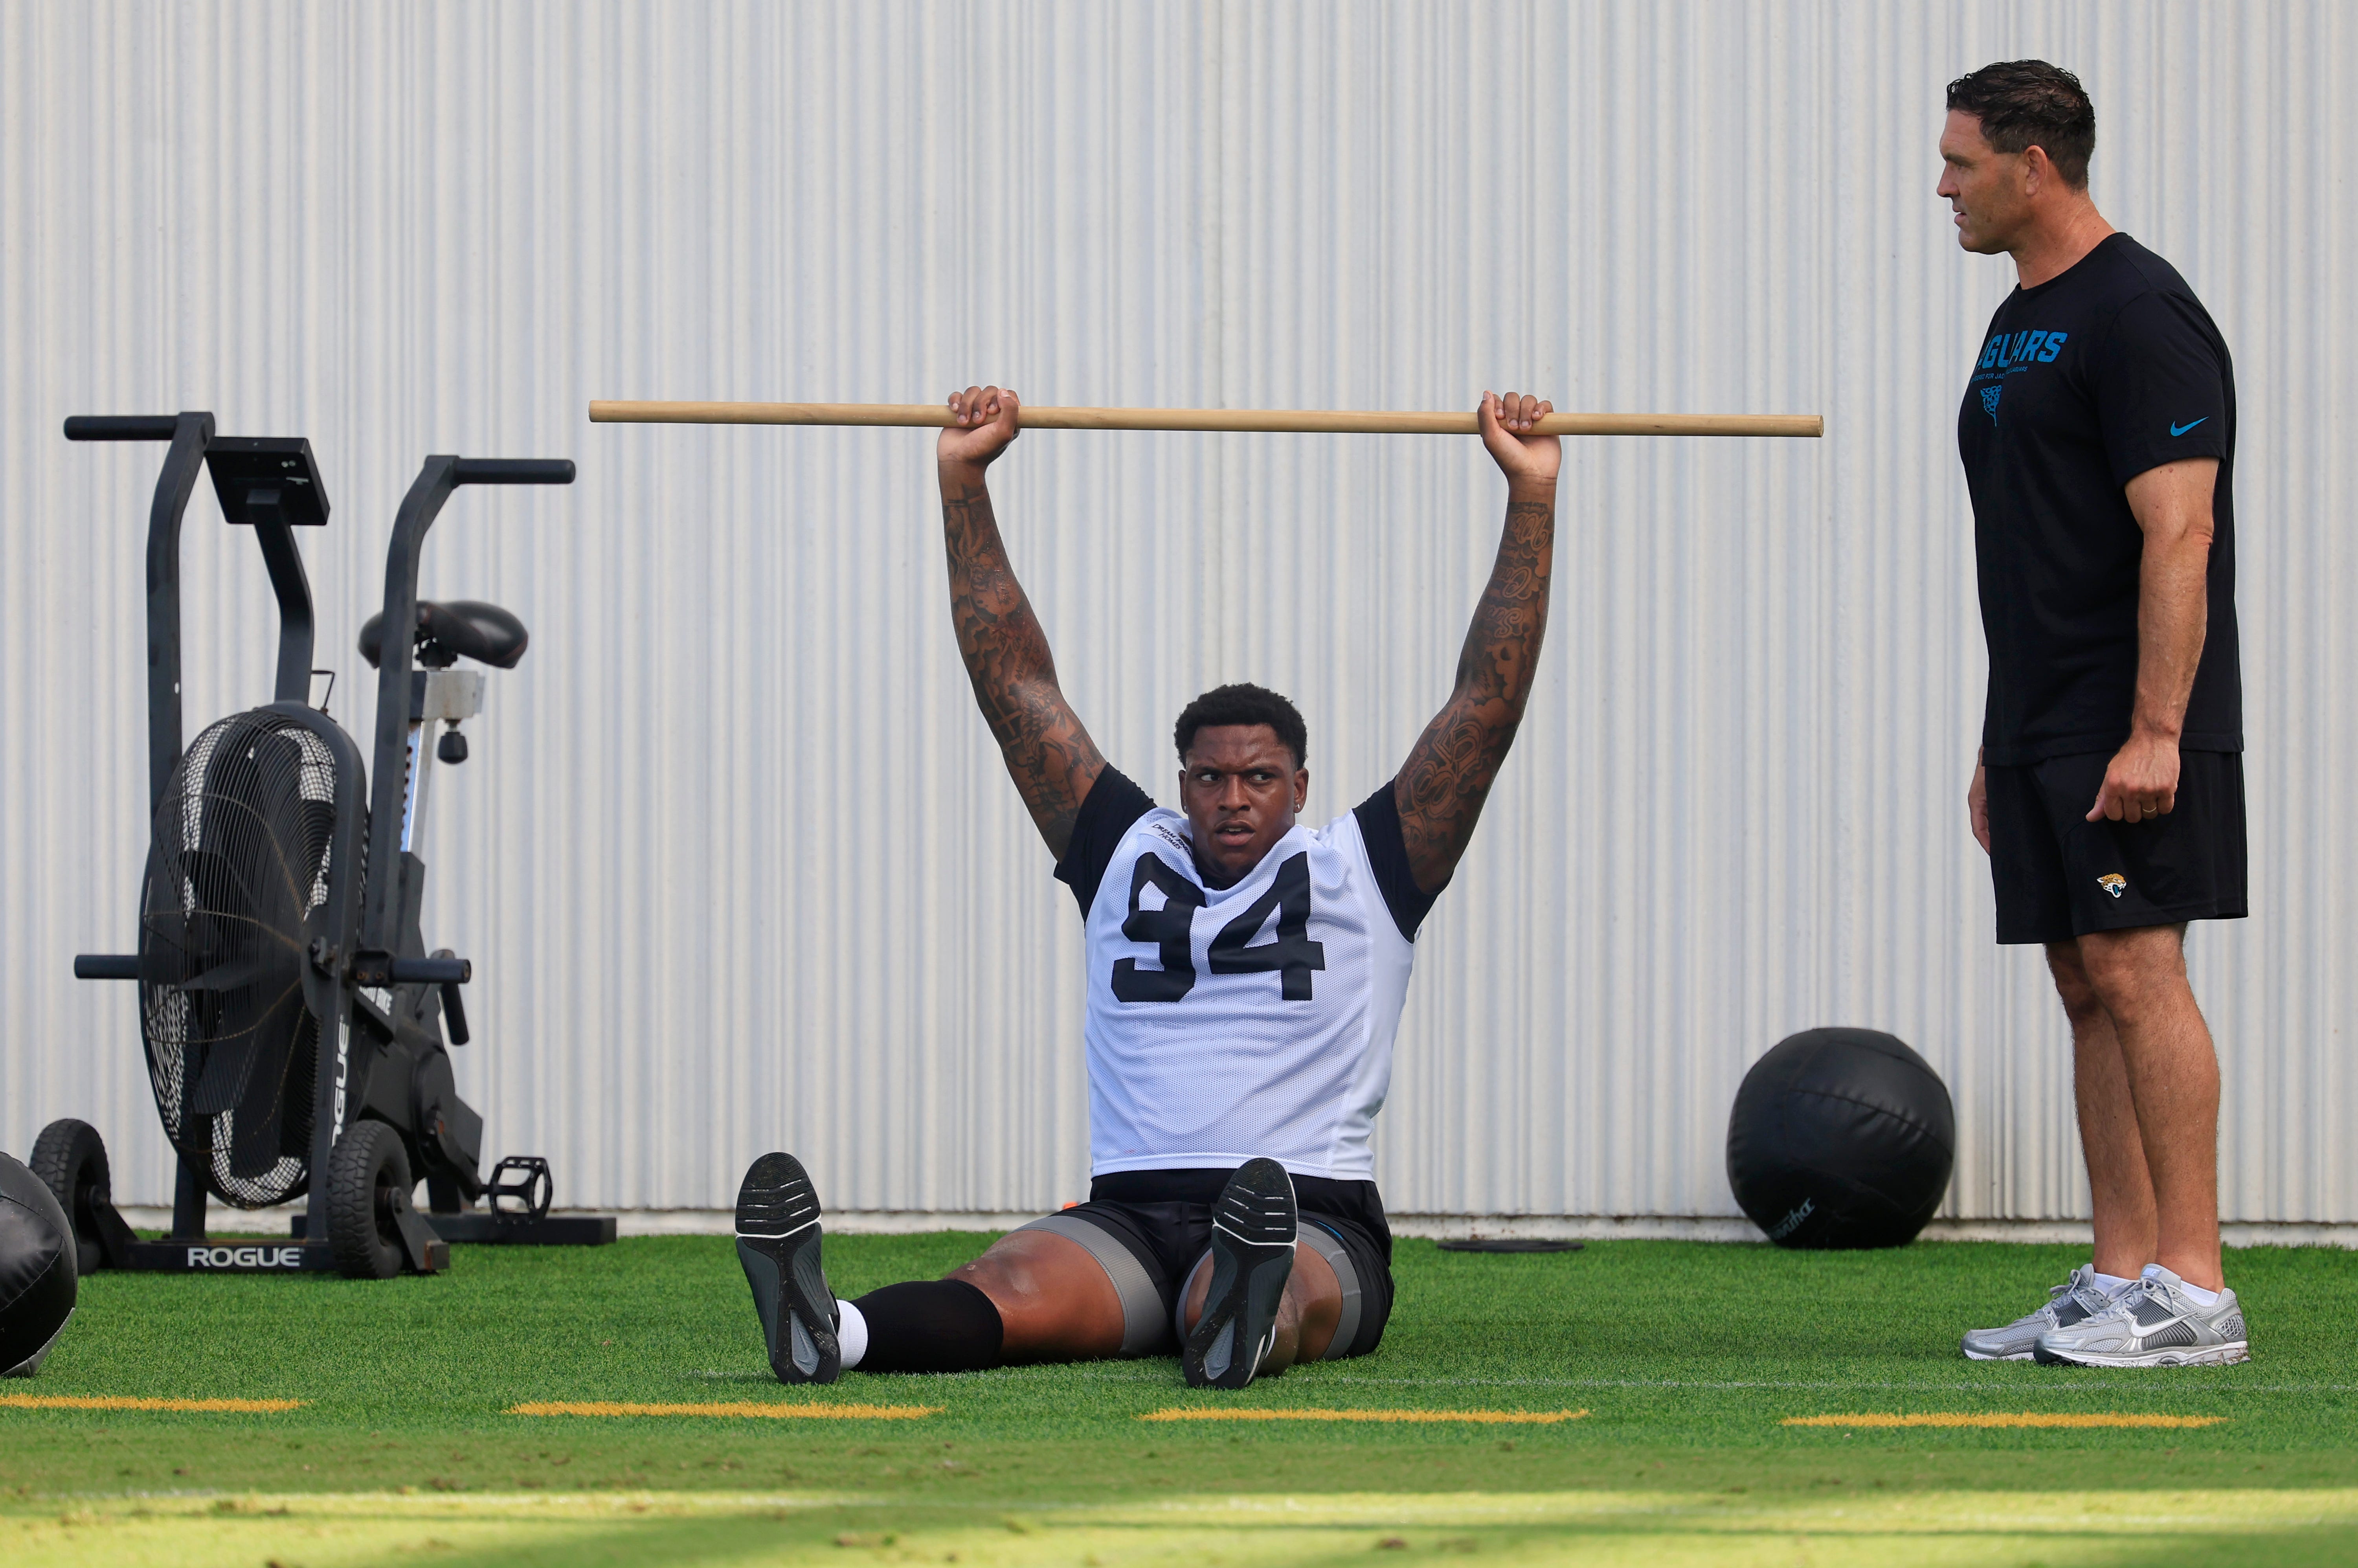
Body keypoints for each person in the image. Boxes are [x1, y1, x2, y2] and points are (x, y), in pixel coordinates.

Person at [734, 384, 1562, 1388]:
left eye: (1260, 779)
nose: (1233, 799)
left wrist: (1531, 497)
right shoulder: (1126, 850)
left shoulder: (1367, 867)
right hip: (1130, 1208)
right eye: (1210, 778)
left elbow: (1486, 705)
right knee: (1011, 1283)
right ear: (1181, 785)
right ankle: (834, 1331)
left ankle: (1240, 1319)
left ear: (1301, 788)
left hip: (1310, 1206)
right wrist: (964, 482)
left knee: (1269, 1279)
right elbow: (1017, 686)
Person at [1939, 61, 2248, 1367]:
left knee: (2138, 968)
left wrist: (2159, 730)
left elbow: (2179, 531)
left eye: (1961, 163)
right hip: (2040, 715)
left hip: (2131, 717)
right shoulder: (2020, 317)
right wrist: (1996, 742)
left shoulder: (2141, 311)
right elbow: (2032, 540)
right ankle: (2123, 1276)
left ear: (2035, 165)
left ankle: (2197, 1288)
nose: (1942, 185)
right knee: (2082, 981)